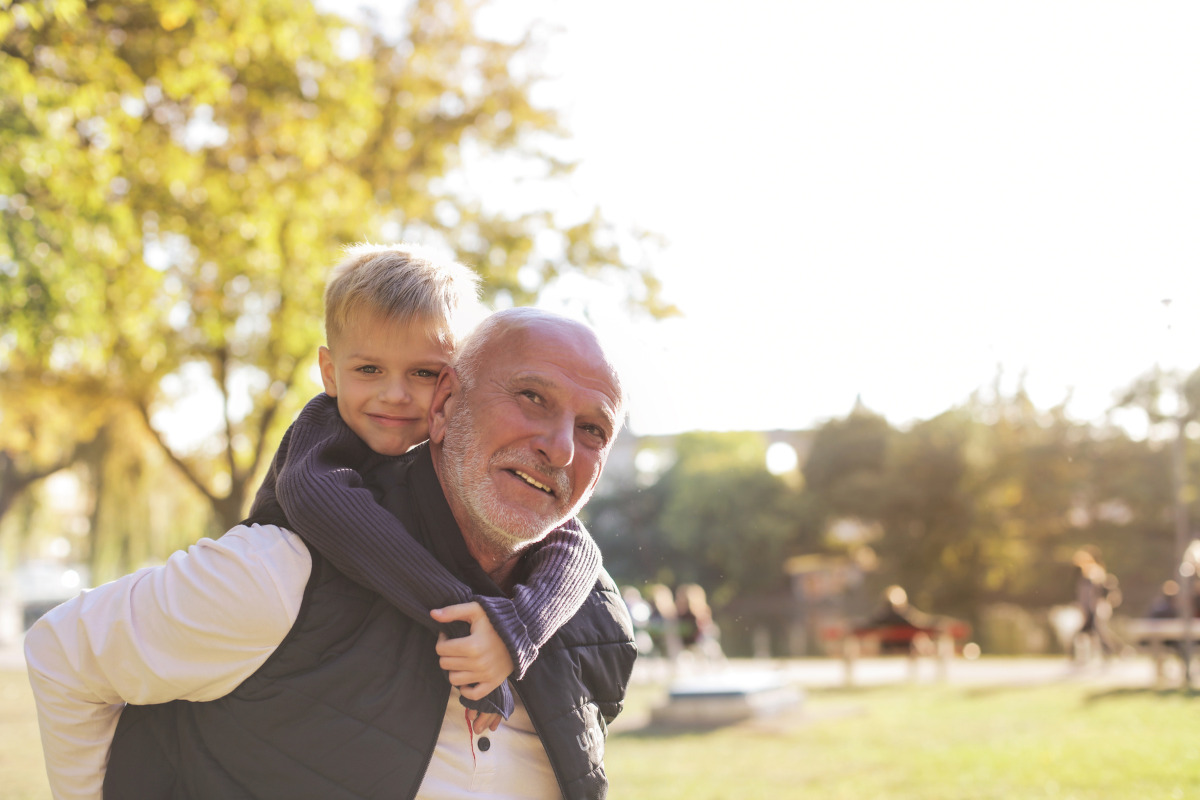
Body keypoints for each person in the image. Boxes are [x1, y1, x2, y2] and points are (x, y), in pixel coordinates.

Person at [25, 307, 637, 800]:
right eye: (532, 397)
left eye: (593, 430)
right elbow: (64, 654)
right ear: (446, 406)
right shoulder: (278, 575)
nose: (560, 450)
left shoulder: (598, 625)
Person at [248, 243, 604, 729]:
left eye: (422, 373)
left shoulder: (451, 453)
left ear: (454, 385)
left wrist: (516, 630)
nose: (393, 394)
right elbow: (326, 509)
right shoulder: (322, 432)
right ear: (330, 372)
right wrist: (467, 622)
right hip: (290, 619)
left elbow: (574, 544)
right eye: (368, 369)